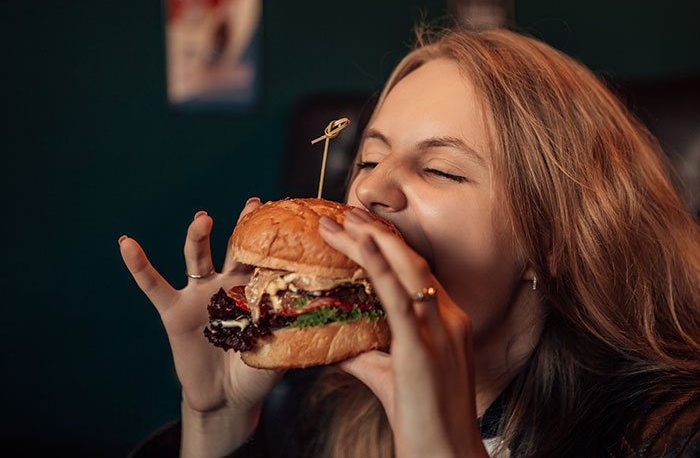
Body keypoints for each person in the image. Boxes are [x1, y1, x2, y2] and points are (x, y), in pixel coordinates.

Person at [119, 28, 700, 457]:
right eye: (369, 158)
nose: (370, 187)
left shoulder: (671, 435)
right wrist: (217, 420)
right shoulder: (313, 409)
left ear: (551, 241)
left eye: (441, 170)